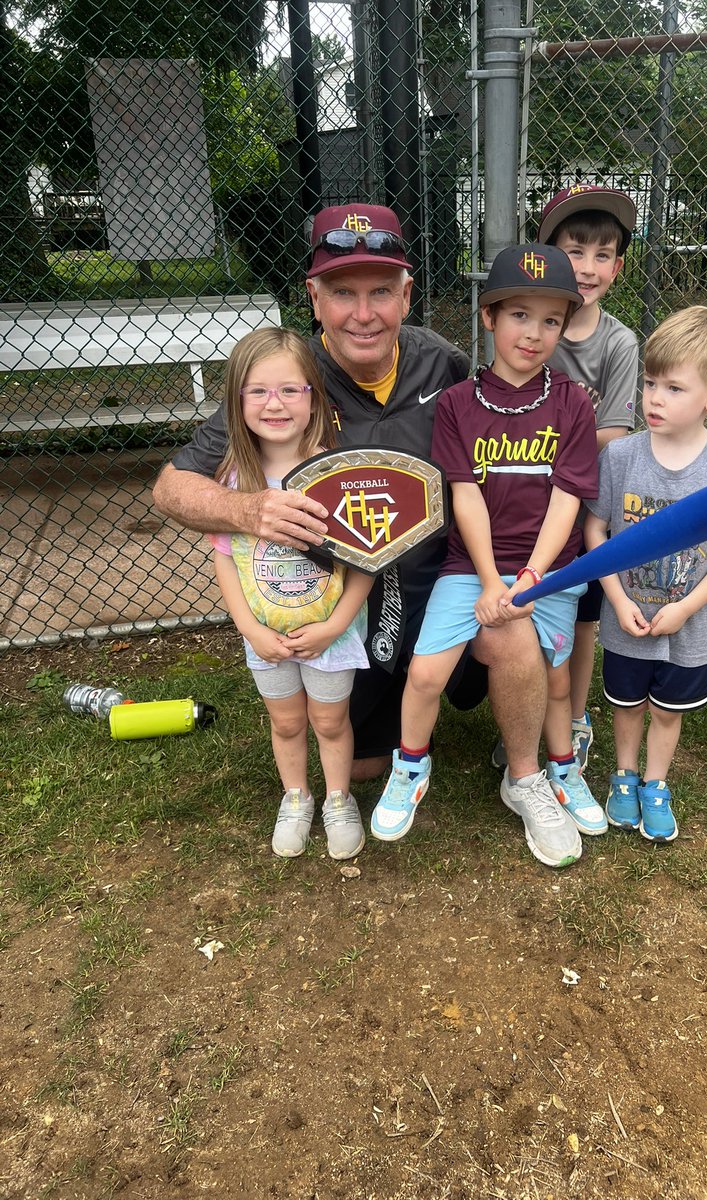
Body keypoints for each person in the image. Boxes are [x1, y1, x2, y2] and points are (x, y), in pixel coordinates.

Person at [153, 203, 526, 783]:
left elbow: (506, 456)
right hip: (349, 602)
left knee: (513, 630)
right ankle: (395, 713)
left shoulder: (442, 365)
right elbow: (171, 487)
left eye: (381, 292)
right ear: (314, 297)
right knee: (362, 766)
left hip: (442, 581)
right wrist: (248, 509)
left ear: (406, 295)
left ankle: (529, 762)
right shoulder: (287, 380)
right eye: (342, 293)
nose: (363, 314)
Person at [369, 243, 608, 868]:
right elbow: (465, 497)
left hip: (547, 569)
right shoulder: (458, 403)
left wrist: (531, 576)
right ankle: (410, 766)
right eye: (519, 315)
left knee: (555, 678)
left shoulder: (573, 403)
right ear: (489, 317)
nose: (533, 333)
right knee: (425, 675)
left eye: (551, 320)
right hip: (469, 567)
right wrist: (489, 581)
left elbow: (568, 499)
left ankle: (559, 769)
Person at [584, 306, 707, 843]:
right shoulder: (621, 457)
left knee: (666, 710)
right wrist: (617, 600)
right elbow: (596, 532)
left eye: (674, 388)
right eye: (650, 383)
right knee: (627, 704)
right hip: (627, 619)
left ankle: (656, 784)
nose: (654, 398)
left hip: (689, 627)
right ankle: (624, 776)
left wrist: (686, 607)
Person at [208, 328, 374, 859]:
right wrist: (249, 629)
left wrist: (335, 625)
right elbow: (225, 558)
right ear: (237, 401)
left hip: (331, 631)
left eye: (289, 390)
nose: (274, 403)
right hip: (266, 636)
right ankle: (297, 797)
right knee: (285, 721)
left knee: (329, 720)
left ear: (314, 399)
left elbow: (367, 560)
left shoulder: (340, 475)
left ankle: (338, 799)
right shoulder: (232, 481)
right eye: (257, 391)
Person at [537, 184, 640, 770]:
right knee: (531, 609)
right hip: (526, 504)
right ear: (548, 255)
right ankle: (531, 712)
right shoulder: (530, 328)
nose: (588, 267)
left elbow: (613, 436)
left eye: (603, 255)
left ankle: (573, 717)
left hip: (587, 508)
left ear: (617, 268)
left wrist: (541, 446)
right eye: (574, 251)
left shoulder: (618, 342)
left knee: (579, 622)